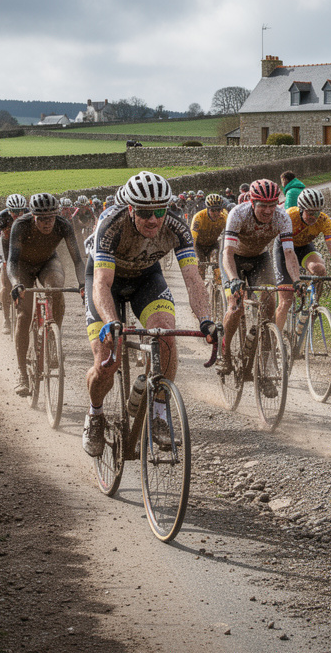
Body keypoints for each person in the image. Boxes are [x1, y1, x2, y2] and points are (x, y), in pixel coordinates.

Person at [82, 172, 215, 457]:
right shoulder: (111, 225)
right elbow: (102, 284)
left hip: (146, 279)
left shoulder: (177, 227)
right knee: (107, 358)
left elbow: (193, 279)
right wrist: (112, 321)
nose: (153, 219)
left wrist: (206, 320)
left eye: (159, 211)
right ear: (131, 209)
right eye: (144, 212)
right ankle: (95, 415)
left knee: (165, 333)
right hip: (108, 283)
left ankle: (158, 413)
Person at [6, 193, 86, 397]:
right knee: (24, 316)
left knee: (56, 288)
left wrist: (83, 284)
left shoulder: (63, 224)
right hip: (23, 265)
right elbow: (12, 262)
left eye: (50, 217)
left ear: (57, 215)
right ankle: (23, 374)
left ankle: (53, 336)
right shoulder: (20, 225)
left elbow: (77, 260)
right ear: (32, 216)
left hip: (48, 262)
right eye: (41, 219)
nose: (47, 223)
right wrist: (16, 283)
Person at [218, 179, 301, 374]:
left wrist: (297, 281)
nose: (268, 210)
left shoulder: (282, 217)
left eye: (272, 205)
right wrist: (233, 278)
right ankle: (225, 352)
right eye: (263, 205)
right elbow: (227, 253)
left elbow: (289, 254)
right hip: (234, 258)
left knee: (269, 302)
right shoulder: (238, 214)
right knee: (235, 306)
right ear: (252, 203)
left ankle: (266, 362)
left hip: (259, 258)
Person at [273, 188, 331, 327]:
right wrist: (295, 280)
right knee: (285, 302)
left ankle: (313, 304)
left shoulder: (324, 220)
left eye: (317, 212)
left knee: (319, 269)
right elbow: (289, 253)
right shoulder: (289, 216)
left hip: (304, 247)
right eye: (310, 212)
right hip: (284, 250)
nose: (314, 216)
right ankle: (275, 344)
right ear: (301, 210)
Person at [0, 193, 30, 334]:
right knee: (6, 284)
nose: (16, 215)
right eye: (13, 211)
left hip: (23, 248)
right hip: (6, 250)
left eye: (20, 211)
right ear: (8, 210)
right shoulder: (2, 217)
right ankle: (6, 319)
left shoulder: (29, 215)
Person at [191, 192, 229, 279]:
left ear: (221, 209)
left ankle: (217, 288)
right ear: (208, 209)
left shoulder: (224, 217)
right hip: (199, 245)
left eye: (218, 210)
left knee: (216, 264)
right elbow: (193, 238)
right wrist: (193, 255)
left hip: (213, 244)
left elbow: (231, 234)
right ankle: (201, 287)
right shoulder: (198, 217)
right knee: (200, 265)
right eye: (213, 210)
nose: (216, 213)